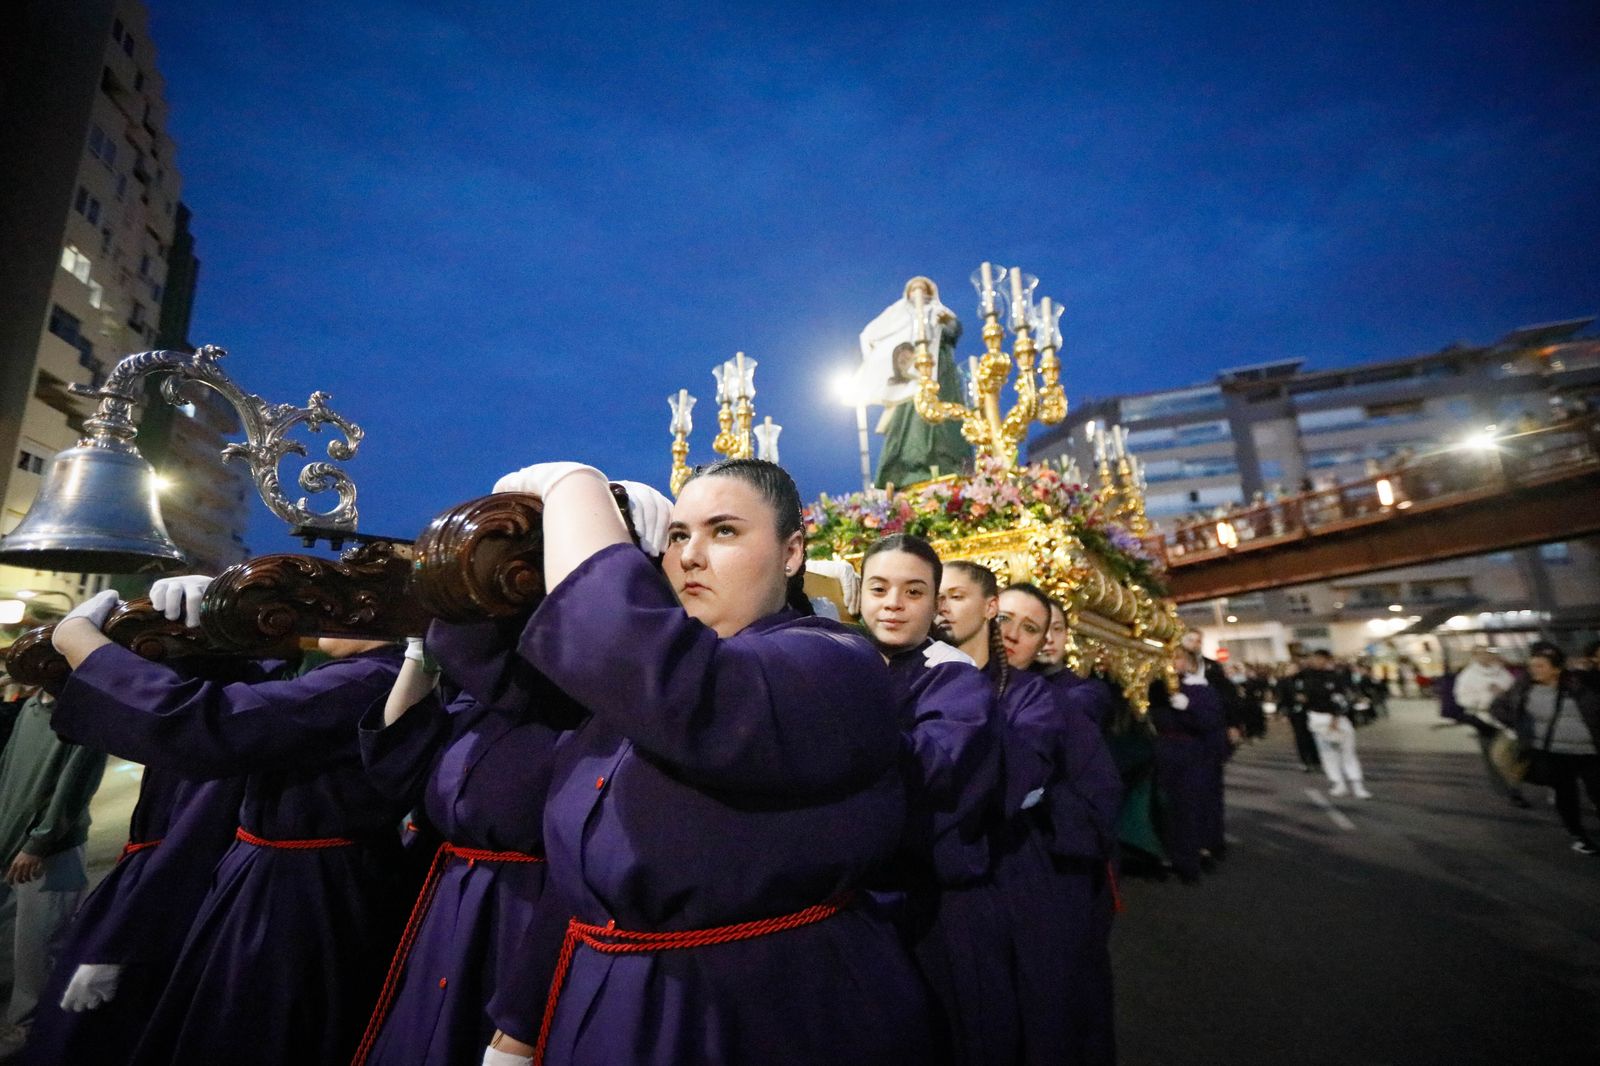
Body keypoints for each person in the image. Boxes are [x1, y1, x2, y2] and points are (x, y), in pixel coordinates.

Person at [479, 458, 936, 1065]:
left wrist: (575, 487)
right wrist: (519, 1025)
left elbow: (652, 664)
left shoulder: (837, 664)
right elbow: (589, 878)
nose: (691, 555)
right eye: (676, 535)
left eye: (724, 531)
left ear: (792, 552)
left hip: (760, 1015)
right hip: (604, 1005)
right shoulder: (638, 691)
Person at [47, 580, 412, 1065]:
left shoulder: (367, 678)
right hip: (282, 883)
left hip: (298, 901)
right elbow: (239, 697)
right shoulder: (360, 674)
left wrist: (79, 640)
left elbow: (211, 724)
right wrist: (214, 628)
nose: (325, 610)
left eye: (341, 597)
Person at [939, 562, 1120, 1065]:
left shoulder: (1055, 703)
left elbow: (1096, 803)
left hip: (1033, 882)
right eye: (1006, 619)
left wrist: (1038, 801)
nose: (1013, 634)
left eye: (1031, 627)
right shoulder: (939, 677)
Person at [856, 534, 1015, 1066]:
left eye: (913, 591)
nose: (893, 604)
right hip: (861, 902)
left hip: (935, 906)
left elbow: (931, 767)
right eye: (879, 588)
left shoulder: (955, 679)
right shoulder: (845, 657)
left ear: (934, 603)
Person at [0, 686, 106, 1058]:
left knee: (40, 945)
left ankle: (31, 1031)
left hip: (50, 851)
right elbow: (8, 771)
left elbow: (74, 787)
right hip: (12, 841)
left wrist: (40, 842)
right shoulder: (32, 706)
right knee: (17, 940)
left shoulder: (83, 709)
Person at [1491, 643, 1600, 855]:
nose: (1534, 670)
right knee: (1566, 795)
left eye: (1540, 666)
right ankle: (1578, 836)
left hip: (1589, 751)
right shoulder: (1523, 687)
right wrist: (1519, 726)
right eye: (1531, 666)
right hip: (1552, 752)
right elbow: (1498, 707)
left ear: (1557, 669)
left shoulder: (1580, 683)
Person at [1290, 649, 1371, 799]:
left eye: (1319, 658)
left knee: (1347, 752)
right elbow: (1296, 692)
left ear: (1327, 660)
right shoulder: (1305, 677)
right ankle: (1338, 783)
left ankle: (1357, 785)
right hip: (1317, 719)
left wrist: (1336, 717)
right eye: (1314, 658)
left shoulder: (1335, 677)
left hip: (1337, 719)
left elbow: (1343, 698)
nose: (1315, 661)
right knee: (1327, 754)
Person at [1453, 648, 1527, 808]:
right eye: (1481, 653)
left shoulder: (1502, 673)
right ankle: (1507, 789)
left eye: (1487, 653)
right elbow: (1462, 699)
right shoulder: (1467, 675)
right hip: (1484, 720)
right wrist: (1485, 697)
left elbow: (1515, 691)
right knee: (1493, 757)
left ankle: (1513, 784)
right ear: (1474, 656)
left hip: (1506, 719)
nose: (1486, 656)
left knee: (1509, 754)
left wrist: (1502, 693)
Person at [1274, 660, 1320, 772]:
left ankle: (1315, 759)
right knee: (1300, 736)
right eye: (1290, 668)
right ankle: (1305, 760)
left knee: (1311, 735)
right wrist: (1283, 712)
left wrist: (1307, 698)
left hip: (1308, 711)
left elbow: (1314, 692)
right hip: (1294, 712)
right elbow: (1281, 698)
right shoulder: (1284, 682)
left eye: (1294, 668)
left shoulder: (1306, 679)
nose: (1292, 670)